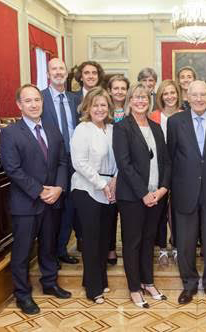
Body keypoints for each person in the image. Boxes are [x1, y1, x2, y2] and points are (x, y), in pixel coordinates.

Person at [0, 84, 71, 315]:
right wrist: (40, 191)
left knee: (48, 246)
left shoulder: (52, 128)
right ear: (19, 105)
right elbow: (12, 169)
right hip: (26, 202)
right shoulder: (10, 133)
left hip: (53, 200)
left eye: (37, 100)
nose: (34, 104)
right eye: (28, 101)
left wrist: (59, 187)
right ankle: (23, 294)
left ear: (42, 102)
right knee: (22, 251)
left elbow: (62, 161)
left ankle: (49, 283)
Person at [167, 80, 206, 305]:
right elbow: (171, 157)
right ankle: (189, 285)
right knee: (185, 243)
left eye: (204, 94)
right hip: (185, 191)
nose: (200, 98)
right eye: (195, 95)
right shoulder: (175, 122)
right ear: (187, 96)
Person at [113, 83, 171, 308]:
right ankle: (134, 287)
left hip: (157, 195)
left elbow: (166, 160)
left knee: (149, 241)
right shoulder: (122, 127)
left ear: (150, 101)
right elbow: (124, 165)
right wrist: (143, 194)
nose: (140, 101)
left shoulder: (156, 127)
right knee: (133, 242)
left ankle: (148, 281)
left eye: (144, 97)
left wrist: (163, 188)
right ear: (129, 100)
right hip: (132, 197)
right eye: (136, 98)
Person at [70, 87, 117, 303]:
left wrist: (114, 181)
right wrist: (100, 183)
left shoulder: (112, 129)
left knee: (105, 239)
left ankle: (98, 279)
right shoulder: (83, 129)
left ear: (109, 108)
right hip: (87, 189)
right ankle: (93, 288)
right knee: (91, 240)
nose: (99, 109)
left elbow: (120, 159)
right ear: (87, 107)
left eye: (103, 105)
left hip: (110, 188)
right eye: (95, 105)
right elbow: (79, 162)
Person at [41, 58, 80, 268]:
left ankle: (62, 248)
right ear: (48, 74)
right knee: (53, 209)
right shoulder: (40, 98)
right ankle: (49, 254)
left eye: (61, 68)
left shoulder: (74, 99)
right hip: (52, 162)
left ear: (66, 73)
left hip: (74, 161)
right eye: (54, 69)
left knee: (70, 208)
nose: (58, 72)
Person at [149, 79, 182, 265]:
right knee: (159, 209)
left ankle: (176, 245)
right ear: (160, 96)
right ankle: (161, 247)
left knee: (178, 210)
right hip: (158, 169)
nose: (170, 96)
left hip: (180, 170)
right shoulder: (153, 116)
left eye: (173, 92)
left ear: (178, 94)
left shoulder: (185, 115)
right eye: (165, 93)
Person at [106, 74, 130, 265]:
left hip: (128, 168)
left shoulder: (134, 111)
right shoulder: (104, 112)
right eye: (116, 88)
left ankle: (128, 248)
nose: (120, 91)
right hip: (108, 166)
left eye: (123, 88)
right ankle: (111, 248)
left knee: (127, 211)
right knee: (110, 210)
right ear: (109, 90)